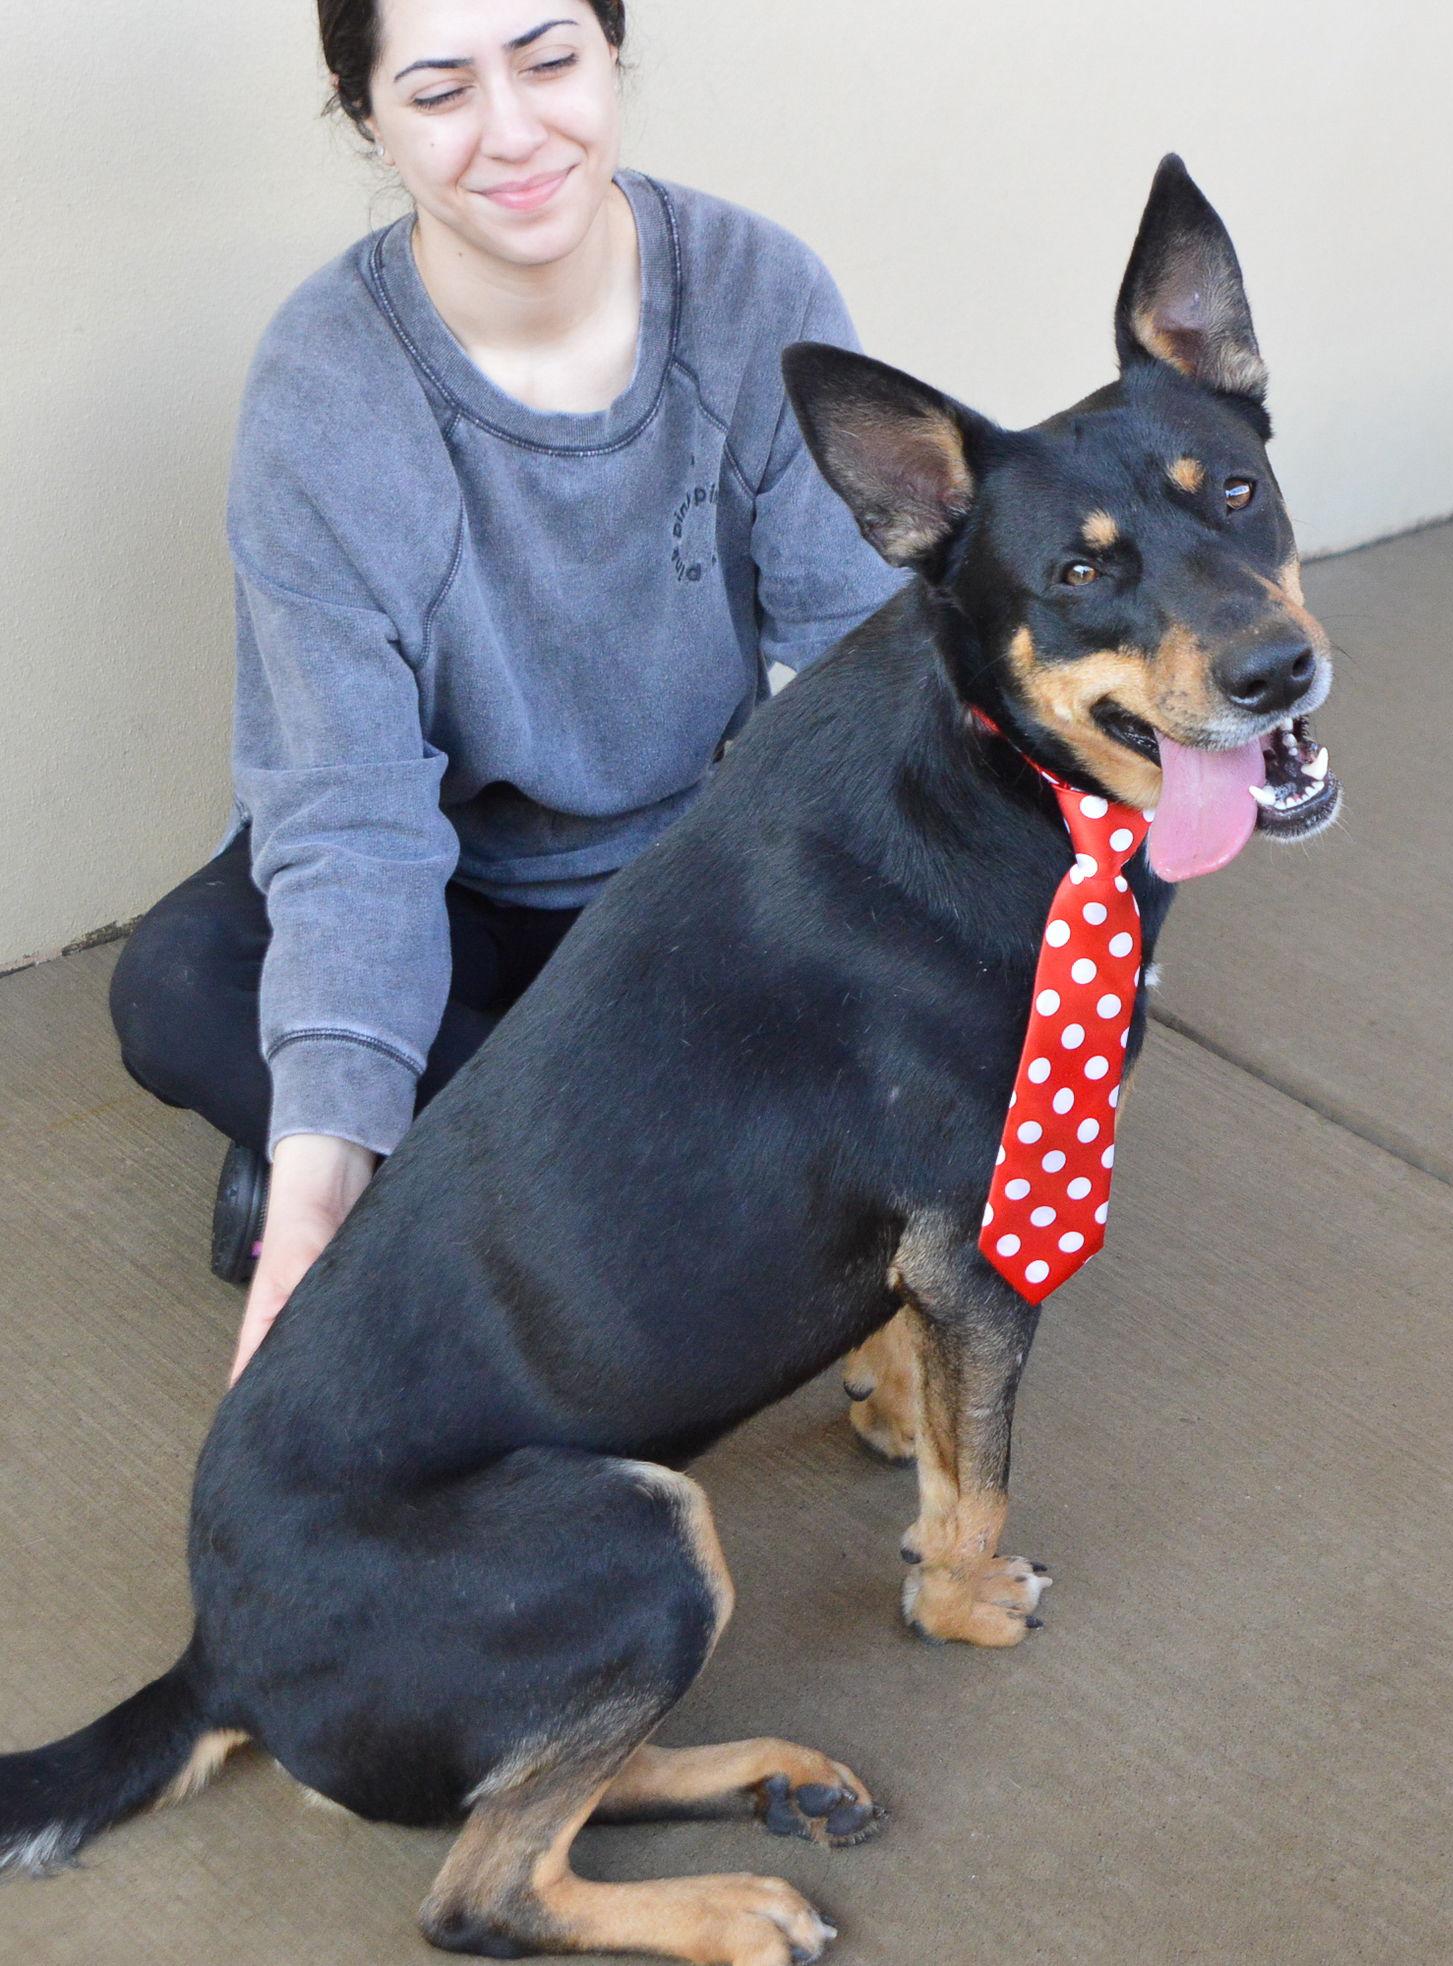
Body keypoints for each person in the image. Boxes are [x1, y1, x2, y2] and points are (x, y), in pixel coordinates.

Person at [109, 0, 904, 1386]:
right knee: (181, 987)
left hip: (676, 878)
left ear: (610, 55)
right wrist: (310, 1202)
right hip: (439, 884)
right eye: (440, 91)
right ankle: (394, 1156)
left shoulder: (757, 291)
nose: (516, 131)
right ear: (367, 115)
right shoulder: (324, 386)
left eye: (550, 60)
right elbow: (351, 822)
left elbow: (866, 682)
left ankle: (464, 1174)